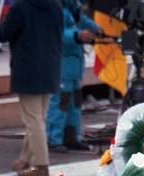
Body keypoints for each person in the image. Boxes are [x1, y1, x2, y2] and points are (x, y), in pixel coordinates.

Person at [0, 0, 63, 176]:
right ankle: (25, 159)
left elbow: (2, 34)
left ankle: (41, 165)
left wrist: (2, 22)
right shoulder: (55, 5)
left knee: (33, 120)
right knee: (38, 118)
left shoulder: (20, 7)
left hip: (27, 69)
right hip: (50, 67)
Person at [46, 0, 101, 153]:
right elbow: (54, 33)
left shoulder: (71, 7)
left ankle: (71, 137)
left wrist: (96, 28)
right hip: (62, 65)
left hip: (74, 66)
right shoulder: (55, 8)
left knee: (74, 103)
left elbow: (81, 20)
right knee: (60, 103)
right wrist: (77, 35)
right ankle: (53, 139)